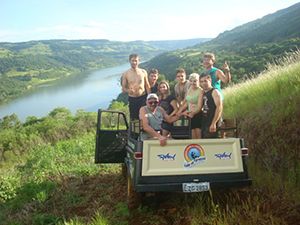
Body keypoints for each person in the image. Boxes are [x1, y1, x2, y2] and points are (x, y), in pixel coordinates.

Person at [121, 54, 150, 120]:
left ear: (139, 61)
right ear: (129, 61)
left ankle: (144, 130)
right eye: (132, 61)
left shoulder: (143, 72)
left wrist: (149, 98)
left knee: (144, 117)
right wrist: (129, 91)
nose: (134, 62)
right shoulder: (126, 73)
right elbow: (123, 89)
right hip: (132, 99)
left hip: (143, 98)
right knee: (134, 118)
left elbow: (147, 86)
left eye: (136, 60)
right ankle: (135, 130)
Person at [177, 73, 203, 139]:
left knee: (198, 137)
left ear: (198, 81)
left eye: (195, 81)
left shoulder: (201, 91)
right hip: (190, 115)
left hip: (198, 115)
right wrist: (179, 111)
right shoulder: (190, 89)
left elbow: (200, 106)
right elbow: (186, 102)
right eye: (191, 81)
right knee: (193, 136)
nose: (193, 83)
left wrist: (192, 113)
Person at [199, 73, 223, 138]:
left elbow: (219, 107)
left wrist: (214, 123)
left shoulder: (215, 92)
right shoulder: (204, 93)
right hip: (205, 122)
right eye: (201, 81)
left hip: (213, 122)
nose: (203, 83)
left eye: (205, 81)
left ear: (210, 80)